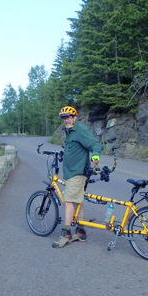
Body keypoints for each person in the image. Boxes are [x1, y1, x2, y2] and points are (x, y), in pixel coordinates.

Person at [52, 106, 101, 248]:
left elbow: (94, 144)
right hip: (71, 172)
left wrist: (96, 155)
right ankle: (80, 232)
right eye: (64, 118)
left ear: (75, 117)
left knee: (68, 201)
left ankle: (66, 233)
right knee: (78, 201)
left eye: (68, 117)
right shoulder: (69, 131)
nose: (66, 120)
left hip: (77, 173)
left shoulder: (80, 129)